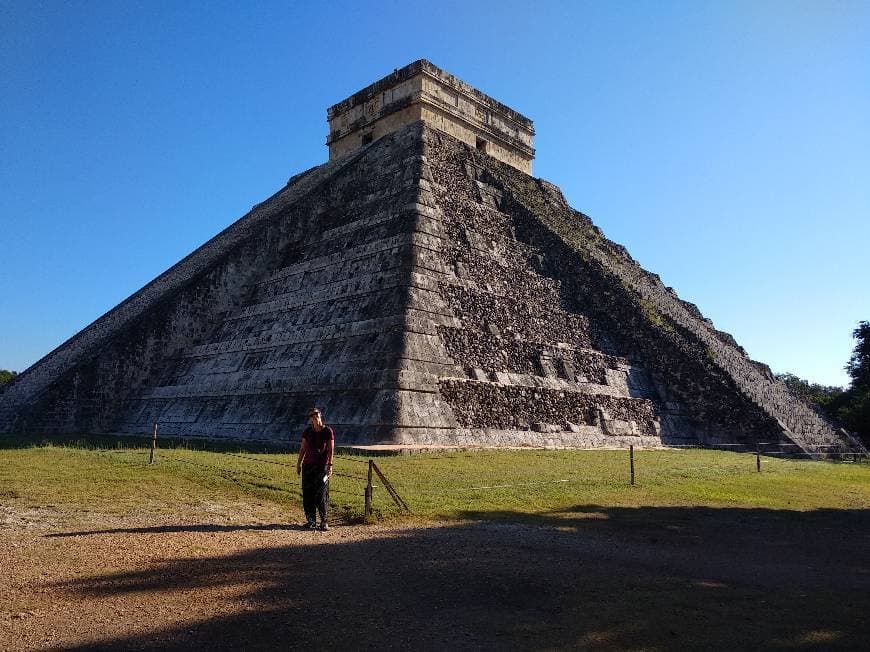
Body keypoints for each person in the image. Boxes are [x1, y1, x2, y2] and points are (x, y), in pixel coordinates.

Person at [296, 406, 334, 531]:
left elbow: (330, 450)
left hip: (321, 467)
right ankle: (311, 520)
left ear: (320, 415)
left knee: (321, 494)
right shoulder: (307, 432)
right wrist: (298, 463)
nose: (314, 417)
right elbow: (303, 448)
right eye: (311, 416)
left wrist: (330, 465)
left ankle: (324, 521)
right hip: (307, 466)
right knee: (308, 494)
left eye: (316, 414)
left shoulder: (327, 431)